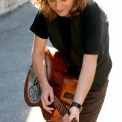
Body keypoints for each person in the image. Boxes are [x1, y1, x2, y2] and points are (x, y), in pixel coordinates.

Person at [30, 0, 112, 121]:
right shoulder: (47, 10)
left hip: (92, 82)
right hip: (64, 76)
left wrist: (76, 105)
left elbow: (89, 63)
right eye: (52, 0)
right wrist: (44, 84)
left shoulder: (92, 12)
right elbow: (38, 52)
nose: (58, 6)